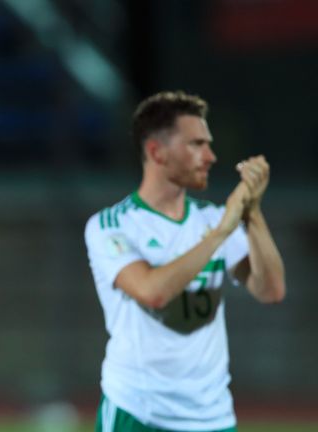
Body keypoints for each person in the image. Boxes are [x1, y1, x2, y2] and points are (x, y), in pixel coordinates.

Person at [84, 91, 285, 431]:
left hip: (212, 415)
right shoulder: (112, 225)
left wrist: (252, 213)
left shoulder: (211, 220)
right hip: (138, 412)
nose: (210, 156)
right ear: (156, 151)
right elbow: (152, 292)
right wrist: (222, 231)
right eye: (196, 144)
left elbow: (271, 290)